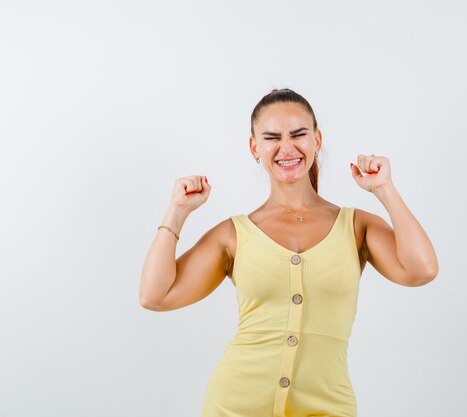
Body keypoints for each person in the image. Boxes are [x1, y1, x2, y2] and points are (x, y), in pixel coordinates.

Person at [139, 88, 439, 417]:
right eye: (272, 137)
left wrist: (384, 189)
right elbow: (156, 296)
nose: (287, 147)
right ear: (255, 147)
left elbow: (421, 270)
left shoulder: (356, 226)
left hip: (328, 407)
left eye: (299, 134)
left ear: (317, 140)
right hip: (236, 405)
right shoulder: (234, 234)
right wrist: (177, 211)